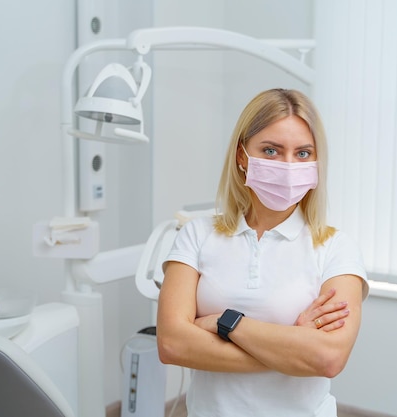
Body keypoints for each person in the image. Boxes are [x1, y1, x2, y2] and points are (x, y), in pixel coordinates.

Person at [156, 88, 369, 417]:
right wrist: (292, 348)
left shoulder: (336, 248)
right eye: (271, 150)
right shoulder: (197, 235)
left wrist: (223, 322)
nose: (287, 165)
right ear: (242, 156)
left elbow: (327, 358)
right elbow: (172, 343)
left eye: (302, 153)